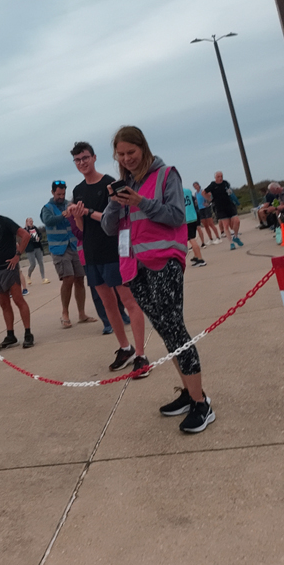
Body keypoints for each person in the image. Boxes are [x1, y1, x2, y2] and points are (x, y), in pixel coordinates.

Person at [101, 128, 215, 434]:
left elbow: (177, 216)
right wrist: (115, 202)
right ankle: (190, 395)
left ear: (143, 148)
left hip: (163, 262)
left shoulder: (166, 175)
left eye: (131, 153)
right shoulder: (124, 184)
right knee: (165, 331)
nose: (126, 159)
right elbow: (109, 229)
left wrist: (140, 201)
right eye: (120, 155)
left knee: (176, 329)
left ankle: (202, 403)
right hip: (134, 267)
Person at [64, 142, 149, 373]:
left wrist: (89, 212)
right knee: (108, 304)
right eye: (78, 160)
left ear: (94, 157)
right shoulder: (78, 190)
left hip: (114, 250)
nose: (82, 163)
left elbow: (119, 217)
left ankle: (141, 354)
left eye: (85, 158)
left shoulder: (111, 183)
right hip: (92, 252)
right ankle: (125, 347)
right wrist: (77, 214)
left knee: (129, 302)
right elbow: (82, 228)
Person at [0, 195, 34, 349]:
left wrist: (17, 256)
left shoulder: (5, 222)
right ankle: (10, 334)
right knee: (4, 304)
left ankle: (28, 333)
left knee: (18, 300)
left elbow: (26, 235)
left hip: (9, 268)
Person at [40, 181, 92, 327]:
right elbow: (48, 221)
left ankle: (82, 314)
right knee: (68, 279)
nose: (61, 197)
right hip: (59, 249)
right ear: (52, 193)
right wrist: (63, 215)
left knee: (80, 279)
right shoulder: (47, 208)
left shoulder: (70, 204)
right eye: (58, 194)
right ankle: (65, 314)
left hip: (74, 246)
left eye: (63, 194)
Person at [204, 171, 243, 249]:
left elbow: (230, 192)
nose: (220, 178)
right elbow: (204, 192)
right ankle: (231, 243)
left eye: (221, 176)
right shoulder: (213, 185)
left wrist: (236, 201)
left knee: (237, 221)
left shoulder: (225, 183)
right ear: (215, 177)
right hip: (220, 207)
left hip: (229, 205)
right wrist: (210, 199)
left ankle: (235, 236)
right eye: (218, 176)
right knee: (226, 225)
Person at [183, 186, 207, 267]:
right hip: (193, 216)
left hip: (186, 218)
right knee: (191, 238)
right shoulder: (188, 191)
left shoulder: (176, 192)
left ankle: (200, 259)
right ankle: (196, 256)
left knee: (191, 239)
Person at [23, 217, 49, 283]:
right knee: (33, 264)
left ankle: (43, 278)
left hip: (37, 247)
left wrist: (39, 238)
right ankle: (28, 275)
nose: (31, 222)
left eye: (32, 221)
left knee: (41, 262)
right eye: (30, 221)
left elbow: (40, 234)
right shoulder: (25, 230)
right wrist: (33, 238)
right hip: (30, 249)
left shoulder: (35, 228)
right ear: (27, 222)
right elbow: (26, 238)